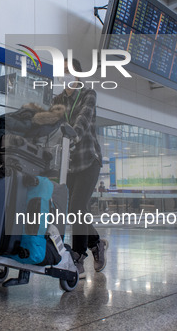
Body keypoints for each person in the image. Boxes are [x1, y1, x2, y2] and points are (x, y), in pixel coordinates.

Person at [52, 58, 107, 279]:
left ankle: (77, 255)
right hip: (69, 164)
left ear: (77, 75)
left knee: (76, 207)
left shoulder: (88, 94)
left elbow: (83, 120)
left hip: (88, 160)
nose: (64, 75)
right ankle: (96, 243)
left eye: (67, 71)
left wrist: (72, 135)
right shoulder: (57, 99)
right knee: (76, 210)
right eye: (61, 71)